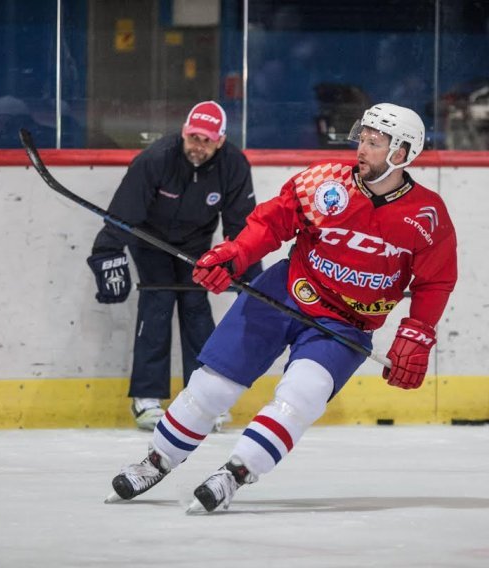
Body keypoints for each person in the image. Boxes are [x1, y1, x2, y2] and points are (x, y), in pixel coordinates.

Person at [104, 103, 458, 513]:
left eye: (374, 143)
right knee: (213, 385)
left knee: (301, 396)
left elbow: (436, 280)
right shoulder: (326, 181)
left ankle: (236, 472)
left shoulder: (427, 215)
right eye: (362, 138)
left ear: (401, 153)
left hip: (346, 323)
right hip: (285, 291)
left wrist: (417, 332)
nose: (362, 148)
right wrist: (235, 254)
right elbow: (272, 223)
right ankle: (156, 460)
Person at [87, 100, 261, 431]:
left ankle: (203, 398)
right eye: (193, 137)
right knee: (158, 303)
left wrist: (249, 274)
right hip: (151, 242)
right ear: (184, 132)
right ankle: (147, 398)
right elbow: (124, 212)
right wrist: (106, 252)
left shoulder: (234, 166)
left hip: (196, 245)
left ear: (220, 140)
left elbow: (241, 226)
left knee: (196, 306)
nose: (198, 145)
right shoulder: (156, 159)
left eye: (207, 140)